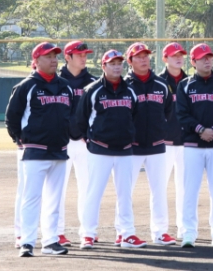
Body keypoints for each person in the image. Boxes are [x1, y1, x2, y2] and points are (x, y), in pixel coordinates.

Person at [76, 49, 144, 249]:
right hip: (100, 149)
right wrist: (90, 140)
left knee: (125, 194)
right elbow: (81, 119)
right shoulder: (93, 89)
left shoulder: (130, 90)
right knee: (94, 192)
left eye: (119, 63)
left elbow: (135, 117)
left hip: (124, 150)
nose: (117, 67)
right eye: (112, 63)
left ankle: (127, 234)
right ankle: (87, 234)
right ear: (103, 66)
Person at [9, 42, 72, 257]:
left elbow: (70, 115)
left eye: (55, 55)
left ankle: (50, 241)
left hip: (60, 150)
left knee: (54, 199)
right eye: (48, 56)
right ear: (36, 61)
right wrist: (20, 139)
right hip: (35, 150)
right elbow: (12, 117)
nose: (54, 59)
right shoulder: (26, 86)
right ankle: (27, 242)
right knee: (31, 197)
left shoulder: (65, 86)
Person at [175, 44, 213, 248]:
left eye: (209, 57)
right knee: (190, 191)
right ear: (193, 62)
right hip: (192, 145)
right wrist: (201, 129)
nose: (207, 61)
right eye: (202, 58)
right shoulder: (184, 85)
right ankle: (189, 233)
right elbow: (181, 114)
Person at [122, 42, 176, 246]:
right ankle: (123, 232)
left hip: (156, 144)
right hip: (131, 147)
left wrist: (159, 129)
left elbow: (167, 111)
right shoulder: (125, 85)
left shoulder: (161, 85)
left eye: (146, 55)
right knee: (125, 191)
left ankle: (160, 232)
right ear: (130, 61)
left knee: (159, 190)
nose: (144, 59)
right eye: (139, 56)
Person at [58, 40, 96, 248]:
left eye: (85, 54)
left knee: (88, 187)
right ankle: (57, 231)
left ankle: (88, 230)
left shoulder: (93, 81)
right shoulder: (55, 80)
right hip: (61, 142)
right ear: (68, 56)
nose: (84, 57)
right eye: (79, 54)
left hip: (84, 142)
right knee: (57, 188)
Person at [160, 42, 189, 239]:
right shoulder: (159, 82)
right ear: (165, 59)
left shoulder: (190, 81)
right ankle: (162, 229)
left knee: (185, 187)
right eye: (173, 55)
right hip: (165, 142)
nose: (178, 58)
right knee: (160, 187)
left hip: (187, 142)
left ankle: (184, 228)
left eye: (181, 55)